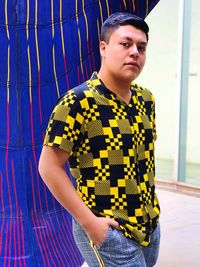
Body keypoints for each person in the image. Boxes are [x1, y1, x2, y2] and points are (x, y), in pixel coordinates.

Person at [39, 12, 160, 267]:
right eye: (125, 44)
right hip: (109, 229)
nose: (135, 52)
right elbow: (48, 167)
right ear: (104, 48)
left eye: (142, 47)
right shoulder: (78, 101)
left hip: (149, 227)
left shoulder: (146, 99)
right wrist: (90, 224)